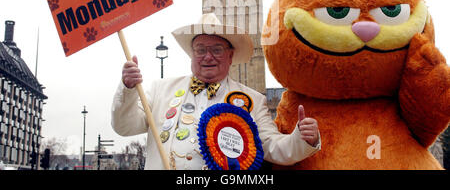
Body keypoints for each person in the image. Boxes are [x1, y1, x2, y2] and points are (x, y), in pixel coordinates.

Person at [111, 13, 320, 170]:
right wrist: (128, 89)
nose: (208, 57)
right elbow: (124, 127)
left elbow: (273, 147)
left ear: (230, 56)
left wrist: (301, 138)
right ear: (192, 55)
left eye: (216, 50)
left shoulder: (253, 101)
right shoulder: (160, 90)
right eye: (201, 50)